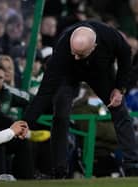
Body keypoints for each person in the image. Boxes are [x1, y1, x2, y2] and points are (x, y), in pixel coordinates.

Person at [23, 20, 138, 178]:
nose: (76, 57)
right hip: (67, 74)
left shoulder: (110, 36)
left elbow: (125, 56)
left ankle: (133, 165)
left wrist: (120, 88)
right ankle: (59, 170)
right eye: (74, 52)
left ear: (94, 46)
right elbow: (44, 93)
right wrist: (25, 122)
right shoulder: (63, 49)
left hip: (100, 72)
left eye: (81, 54)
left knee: (119, 110)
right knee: (61, 115)